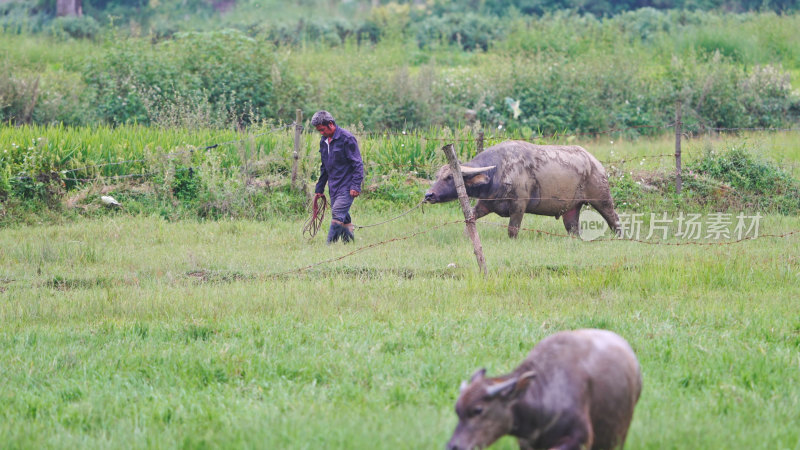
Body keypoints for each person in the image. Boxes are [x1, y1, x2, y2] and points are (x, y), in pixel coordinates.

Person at [311, 110, 364, 244]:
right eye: (319, 131)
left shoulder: (347, 139)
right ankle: (349, 244)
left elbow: (357, 164)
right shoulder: (324, 141)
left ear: (331, 124)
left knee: (337, 213)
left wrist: (356, 185)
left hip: (347, 185)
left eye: (322, 130)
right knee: (343, 216)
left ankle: (329, 247)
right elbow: (324, 166)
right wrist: (319, 188)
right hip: (333, 185)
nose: (321, 133)